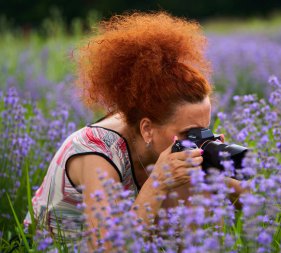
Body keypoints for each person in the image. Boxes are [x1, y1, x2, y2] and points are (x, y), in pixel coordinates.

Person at [24, 11, 244, 250]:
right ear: (147, 128)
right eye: (189, 133)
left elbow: (259, 204)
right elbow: (107, 248)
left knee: (196, 189)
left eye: (204, 130)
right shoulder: (96, 152)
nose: (198, 140)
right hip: (61, 247)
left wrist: (220, 173)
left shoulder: (164, 142)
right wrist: (158, 182)